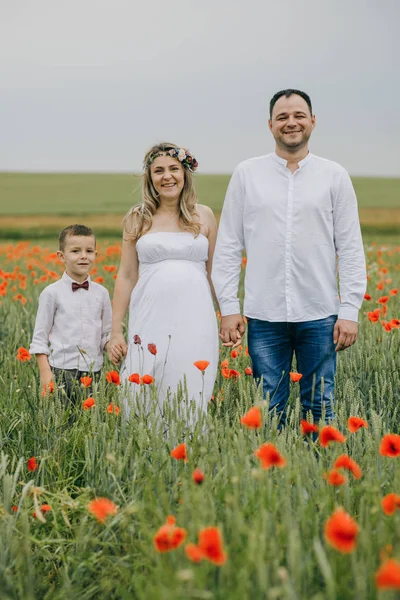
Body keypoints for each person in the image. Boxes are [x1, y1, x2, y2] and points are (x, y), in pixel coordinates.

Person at [212, 89, 367, 425]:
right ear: (270, 125)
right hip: (264, 315)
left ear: (313, 121)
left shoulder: (334, 175)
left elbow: (351, 247)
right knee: (268, 409)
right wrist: (229, 308)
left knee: (320, 407)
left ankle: (320, 475)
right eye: (282, 117)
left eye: (298, 115)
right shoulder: (247, 174)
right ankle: (270, 476)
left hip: (319, 313)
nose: (291, 122)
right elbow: (227, 246)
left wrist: (350, 310)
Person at [108, 142, 219, 422]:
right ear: (150, 178)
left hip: (196, 318)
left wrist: (229, 316)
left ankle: (188, 453)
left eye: (173, 169)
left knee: (191, 381)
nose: (167, 176)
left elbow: (214, 272)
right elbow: (126, 275)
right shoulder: (138, 218)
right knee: (143, 381)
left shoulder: (203, 215)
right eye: (158, 170)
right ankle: (143, 451)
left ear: (185, 174)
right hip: (150, 315)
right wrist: (115, 331)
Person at [30, 224, 112, 401]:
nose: (83, 256)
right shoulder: (52, 293)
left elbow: (106, 334)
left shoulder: (102, 293)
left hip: (93, 372)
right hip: (61, 371)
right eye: (75, 251)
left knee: (90, 423)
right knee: (63, 423)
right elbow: (39, 339)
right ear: (61, 256)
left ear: (95, 255)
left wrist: (113, 347)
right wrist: (46, 375)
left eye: (89, 251)